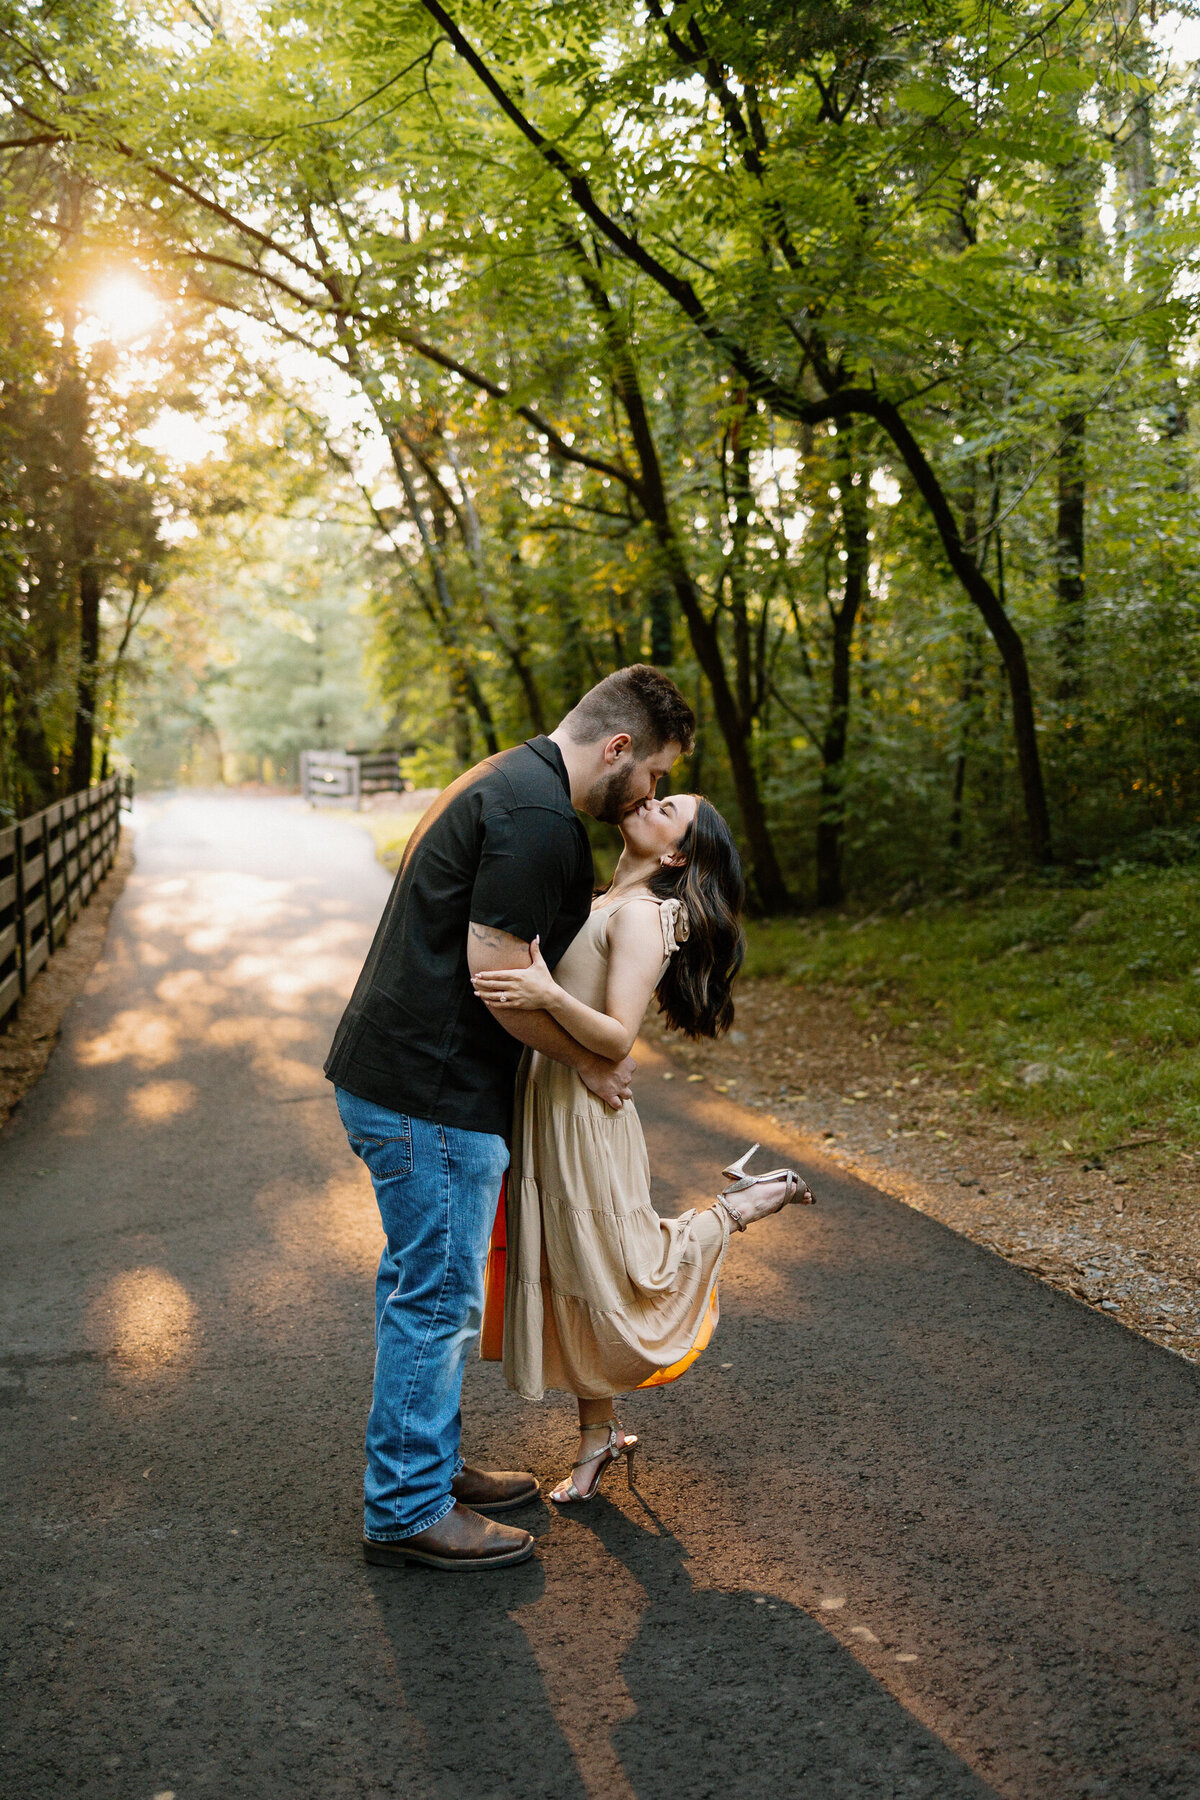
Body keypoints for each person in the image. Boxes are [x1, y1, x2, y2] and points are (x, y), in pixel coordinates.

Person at [325, 665, 695, 1570]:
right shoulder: (536, 817)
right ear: (618, 749)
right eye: (652, 773)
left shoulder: (508, 778)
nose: (649, 792)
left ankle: (430, 1467)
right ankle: (406, 1511)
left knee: (422, 1288)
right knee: (437, 1301)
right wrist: (588, 1063)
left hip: (404, 1080)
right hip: (431, 1093)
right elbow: (499, 978)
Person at [471, 790, 814, 1504]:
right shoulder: (603, 899)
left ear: (677, 853)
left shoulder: (647, 915)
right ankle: (597, 1437)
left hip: (583, 1112)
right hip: (546, 1098)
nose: (649, 801)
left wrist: (542, 990)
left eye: (668, 810)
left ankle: (743, 1204)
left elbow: (616, 1035)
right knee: (574, 1268)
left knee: (621, 1270)